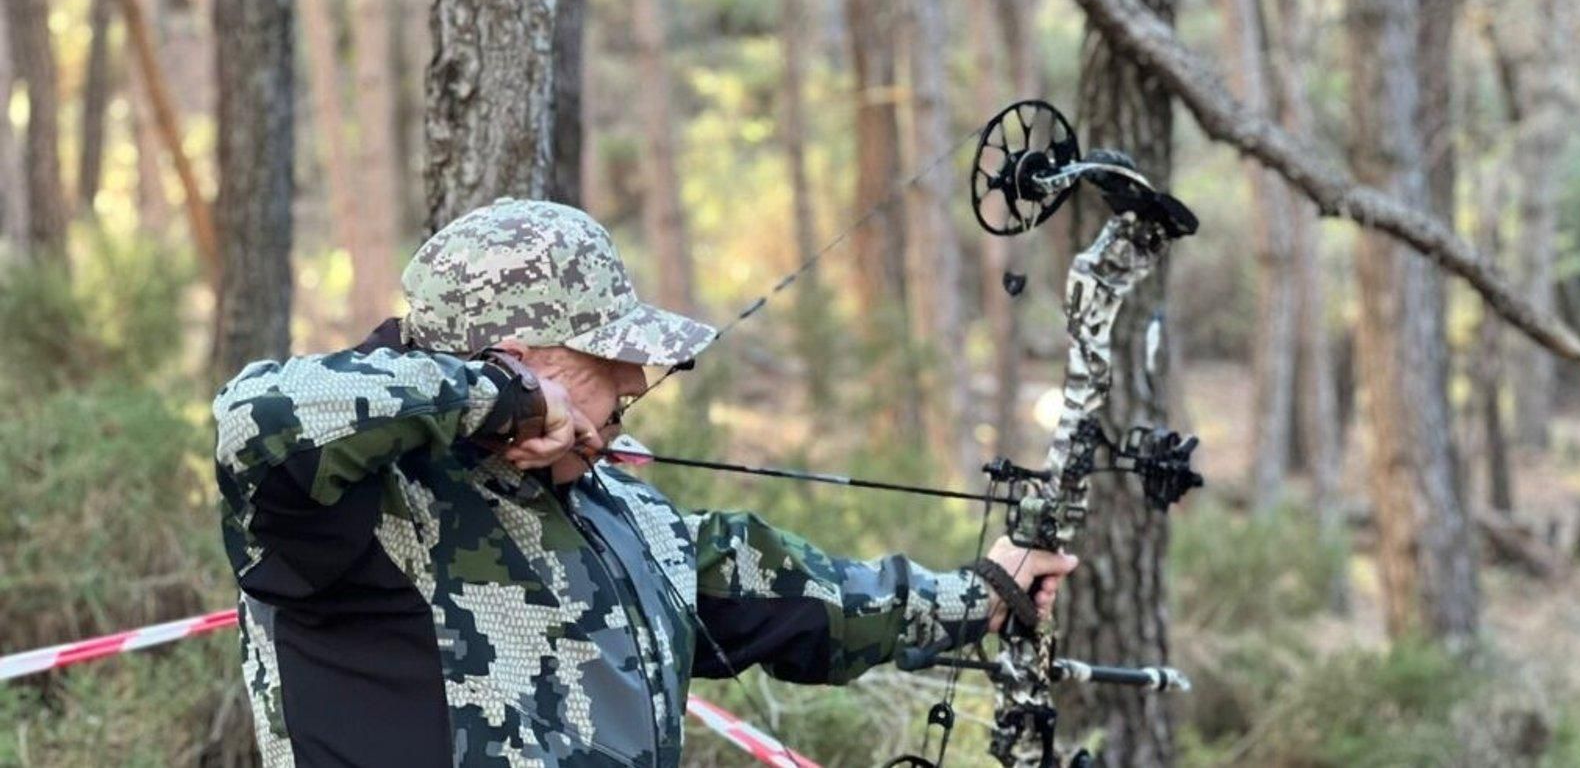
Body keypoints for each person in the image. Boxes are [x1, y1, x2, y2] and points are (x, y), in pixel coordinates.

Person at [213, 198, 1076, 767]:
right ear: (523, 362)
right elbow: (260, 414)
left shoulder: (615, 510)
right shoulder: (356, 508)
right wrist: (501, 397)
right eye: (608, 360)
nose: (635, 383)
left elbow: (794, 595)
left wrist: (983, 591)